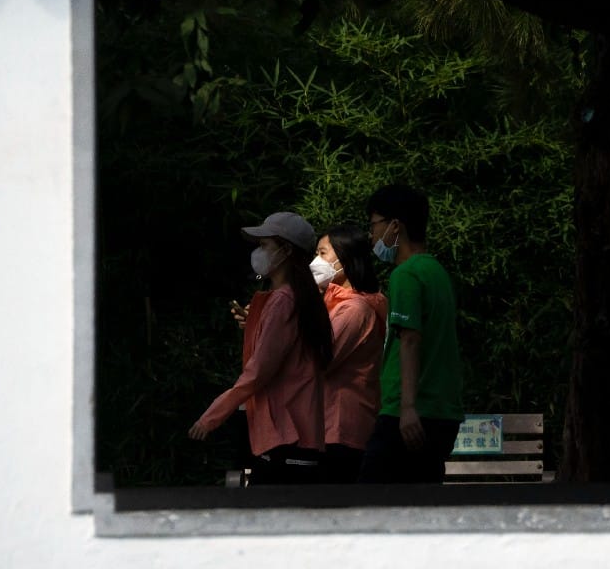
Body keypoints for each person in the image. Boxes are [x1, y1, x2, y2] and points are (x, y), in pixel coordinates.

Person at [189, 211, 333, 485]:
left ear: (286, 250)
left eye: (265, 245)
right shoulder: (302, 298)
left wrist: (212, 415)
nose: (259, 252)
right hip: (301, 439)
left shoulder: (283, 302)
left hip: (286, 439)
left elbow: (258, 371)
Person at [358, 185, 464, 483]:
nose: (372, 235)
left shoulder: (405, 274)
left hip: (408, 414)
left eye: (374, 225)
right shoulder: (437, 273)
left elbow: (410, 339)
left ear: (395, 226)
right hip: (442, 412)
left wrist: (407, 408)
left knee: (369, 503)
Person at [311, 223, 388, 482]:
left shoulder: (353, 310)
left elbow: (319, 359)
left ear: (345, 258)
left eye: (322, 253)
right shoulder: (336, 304)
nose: (315, 261)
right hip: (332, 426)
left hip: (342, 427)